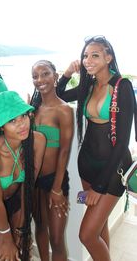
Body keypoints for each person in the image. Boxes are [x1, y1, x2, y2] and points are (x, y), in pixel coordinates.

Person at [58, 36, 137, 261]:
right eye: (85, 55)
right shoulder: (89, 86)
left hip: (113, 171)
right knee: (99, 227)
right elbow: (59, 95)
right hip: (87, 167)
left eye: (95, 55)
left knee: (87, 235)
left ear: (108, 57)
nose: (88, 60)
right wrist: (66, 75)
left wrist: (99, 188)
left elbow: (122, 143)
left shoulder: (122, 87)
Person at [0, 90, 46, 261]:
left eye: (23, 116)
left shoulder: (38, 141)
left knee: (20, 250)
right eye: (12, 120)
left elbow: (27, 186)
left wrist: (21, 226)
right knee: (6, 255)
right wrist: (6, 239)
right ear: (1, 126)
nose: (21, 124)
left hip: (17, 199)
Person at [30, 60, 74, 261]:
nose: (40, 80)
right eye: (35, 76)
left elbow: (64, 150)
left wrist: (57, 188)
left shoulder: (63, 110)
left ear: (56, 76)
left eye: (45, 73)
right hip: (34, 181)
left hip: (54, 181)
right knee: (39, 228)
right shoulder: (32, 108)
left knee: (56, 240)